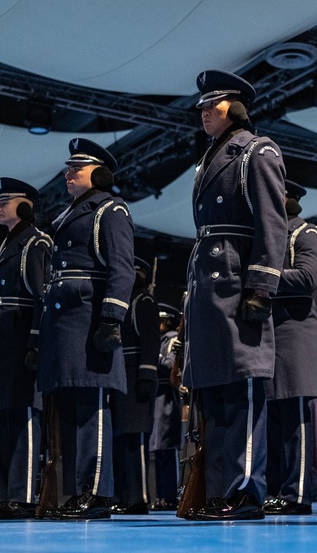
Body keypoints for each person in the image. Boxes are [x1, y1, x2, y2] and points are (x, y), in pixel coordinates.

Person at [184, 69, 286, 521]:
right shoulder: (209, 159)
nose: (205, 111)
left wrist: (262, 285)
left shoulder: (256, 152)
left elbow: (272, 223)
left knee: (242, 390)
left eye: (214, 104)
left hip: (236, 280)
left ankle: (244, 491)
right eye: (202, 106)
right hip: (209, 285)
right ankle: (219, 489)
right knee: (218, 393)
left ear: (237, 107)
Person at [38, 138, 135, 520]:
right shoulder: (71, 214)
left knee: (92, 409)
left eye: (76, 168)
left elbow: (122, 268)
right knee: (72, 412)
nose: (68, 173)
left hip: (88, 318)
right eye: (68, 167)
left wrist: (112, 317)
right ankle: (79, 490)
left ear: (97, 172)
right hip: (66, 323)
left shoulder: (109, 209)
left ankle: (94, 494)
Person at [0, 178, 51, 520]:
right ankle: (5, 493)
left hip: (20, 336)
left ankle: (21, 495)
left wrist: (35, 340)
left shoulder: (35, 242)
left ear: (25, 205)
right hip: (1, 339)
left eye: (5, 200)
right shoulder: (8, 243)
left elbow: (40, 297)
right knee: (2, 419)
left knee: (22, 418)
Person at [264, 181, 317, 517]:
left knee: (294, 419)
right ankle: (274, 490)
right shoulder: (266, 236)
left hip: (294, 333)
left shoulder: (307, 233)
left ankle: (297, 492)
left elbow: (306, 277)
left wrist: (260, 276)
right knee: (271, 421)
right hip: (268, 334)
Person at [110, 257, 159, 515]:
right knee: (121, 440)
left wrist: (146, 376)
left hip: (135, 377)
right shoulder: (126, 302)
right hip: (121, 377)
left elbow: (151, 341)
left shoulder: (143, 302)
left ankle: (138, 497)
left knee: (136, 439)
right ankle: (123, 495)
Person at [150, 303, 182, 511]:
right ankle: (162, 496)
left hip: (167, 398)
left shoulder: (171, 339)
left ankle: (170, 496)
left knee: (167, 450)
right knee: (159, 452)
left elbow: (170, 365)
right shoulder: (162, 340)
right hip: (156, 398)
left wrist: (152, 353)